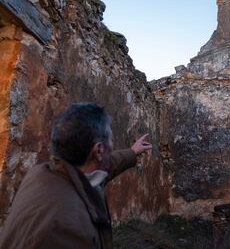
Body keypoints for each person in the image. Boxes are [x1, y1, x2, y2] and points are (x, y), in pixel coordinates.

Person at [0, 102, 152, 249]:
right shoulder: (70, 228)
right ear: (98, 150)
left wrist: (132, 152)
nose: (112, 146)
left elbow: (105, 167)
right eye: (110, 140)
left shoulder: (42, 173)